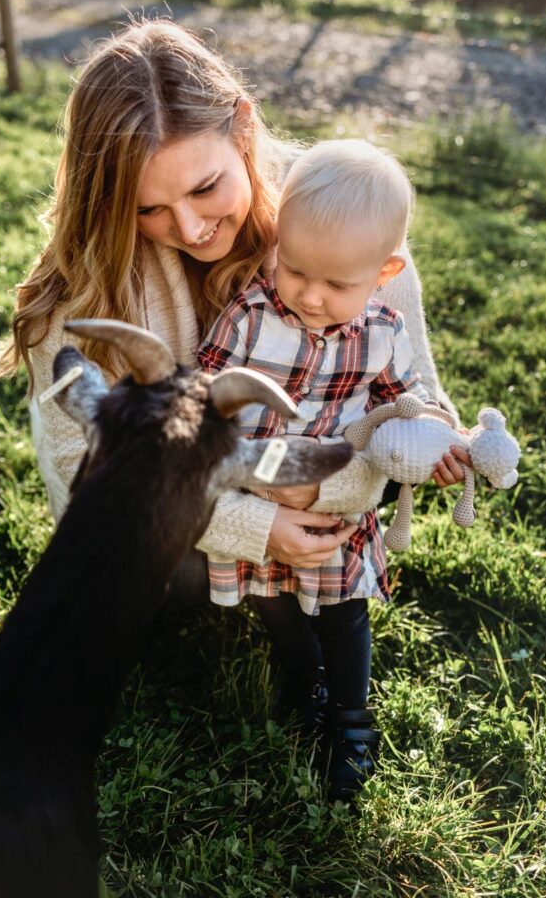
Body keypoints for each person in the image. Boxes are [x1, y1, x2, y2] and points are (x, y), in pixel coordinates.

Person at [0, 18, 469, 794]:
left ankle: (333, 692)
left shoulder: (345, 227)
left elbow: (411, 384)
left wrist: (420, 445)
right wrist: (257, 528)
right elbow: (92, 474)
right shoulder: (80, 298)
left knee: (326, 584)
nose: (189, 227)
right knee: (159, 588)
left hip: (310, 491)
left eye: (205, 186)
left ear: (243, 126)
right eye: (147, 208)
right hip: (154, 533)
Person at [197, 138, 449, 799]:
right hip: (262, 500)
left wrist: (435, 441)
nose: (309, 296)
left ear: (384, 270)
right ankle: (298, 675)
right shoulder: (250, 315)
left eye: (336, 284)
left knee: (343, 612)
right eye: (295, 269)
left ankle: (350, 717)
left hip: (338, 506)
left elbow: (404, 400)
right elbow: (203, 391)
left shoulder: (383, 331)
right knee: (272, 601)